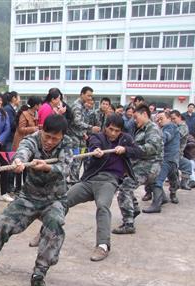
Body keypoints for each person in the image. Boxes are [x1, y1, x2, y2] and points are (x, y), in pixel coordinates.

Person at [0, 114, 72, 286]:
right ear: (41, 130)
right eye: (47, 136)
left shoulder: (67, 144)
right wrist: (19, 161)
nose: (50, 142)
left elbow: (66, 169)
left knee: (55, 225)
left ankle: (39, 274)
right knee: (2, 223)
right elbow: (24, 150)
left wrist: (48, 167)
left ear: (62, 137)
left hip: (55, 199)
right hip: (29, 197)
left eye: (55, 138)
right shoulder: (33, 139)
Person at [66, 114, 142, 261]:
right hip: (90, 180)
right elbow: (93, 144)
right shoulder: (98, 137)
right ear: (105, 127)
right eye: (110, 129)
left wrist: (125, 149)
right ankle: (46, 231)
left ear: (121, 131)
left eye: (117, 131)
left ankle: (103, 246)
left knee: (103, 206)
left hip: (109, 181)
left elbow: (139, 152)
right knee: (64, 200)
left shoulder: (126, 139)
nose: (113, 133)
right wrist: (96, 151)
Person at [113, 104, 163, 234]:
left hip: (149, 166)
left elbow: (152, 148)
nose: (135, 120)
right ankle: (133, 209)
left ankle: (128, 224)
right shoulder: (141, 129)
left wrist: (128, 150)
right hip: (141, 165)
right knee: (123, 184)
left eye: (136, 117)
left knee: (125, 188)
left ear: (144, 114)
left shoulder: (152, 128)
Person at [143, 111, 180, 213]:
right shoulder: (165, 128)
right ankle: (163, 198)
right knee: (154, 178)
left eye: (161, 118)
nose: (159, 121)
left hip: (167, 159)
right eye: (157, 119)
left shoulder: (170, 127)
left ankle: (156, 204)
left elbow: (164, 138)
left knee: (156, 180)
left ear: (168, 119)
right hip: (170, 159)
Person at [70, 86, 101, 183]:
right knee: (76, 161)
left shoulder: (83, 106)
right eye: (88, 95)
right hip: (75, 140)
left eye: (91, 96)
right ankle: (73, 182)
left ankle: (77, 181)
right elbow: (77, 122)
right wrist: (91, 128)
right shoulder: (77, 106)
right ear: (82, 94)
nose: (90, 98)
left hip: (81, 139)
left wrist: (84, 132)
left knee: (80, 159)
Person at [12, 96, 41, 193]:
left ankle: (26, 186)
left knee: (28, 166)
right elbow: (21, 129)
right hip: (21, 142)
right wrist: (33, 129)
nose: (40, 106)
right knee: (20, 164)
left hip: (31, 142)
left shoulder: (35, 113)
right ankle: (18, 188)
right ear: (35, 105)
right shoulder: (24, 114)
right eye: (39, 104)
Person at [170, 110, 193, 190]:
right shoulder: (173, 126)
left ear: (179, 117)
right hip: (172, 154)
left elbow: (177, 136)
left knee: (187, 165)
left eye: (174, 118)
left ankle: (183, 183)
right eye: (171, 119)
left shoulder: (183, 127)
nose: (173, 121)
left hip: (177, 153)